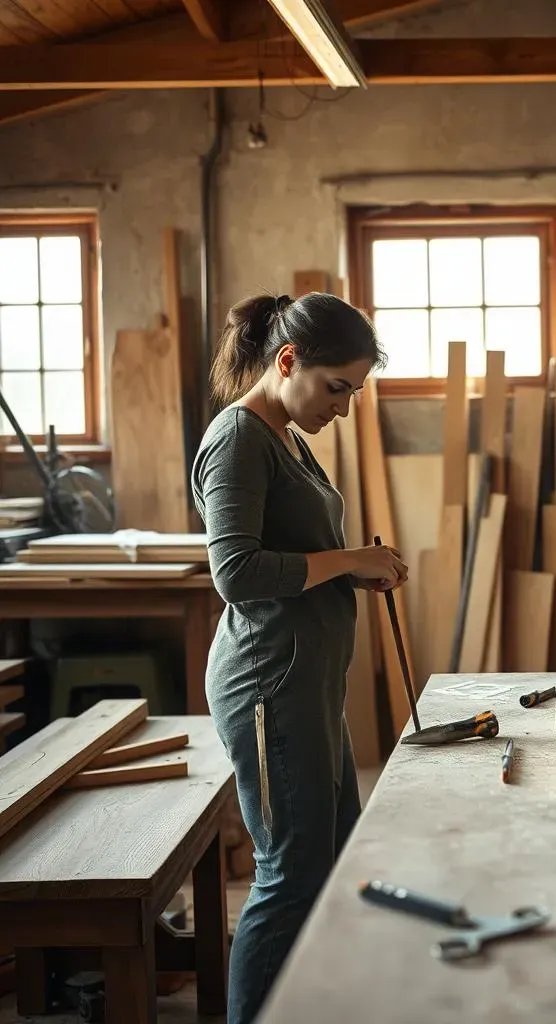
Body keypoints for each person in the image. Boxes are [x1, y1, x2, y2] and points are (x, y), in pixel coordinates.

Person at [191, 291, 408, 1024]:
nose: (342, 407)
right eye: (336, 387)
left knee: (332, 850)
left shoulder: (286, 436)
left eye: (354, 391)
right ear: (288, 361)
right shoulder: (239, 439)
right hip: (266, 685)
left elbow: (296, 548)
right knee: (288, 873)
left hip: (305, 681)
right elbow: (238, 572)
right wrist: (347, 556)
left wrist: (355, 567)